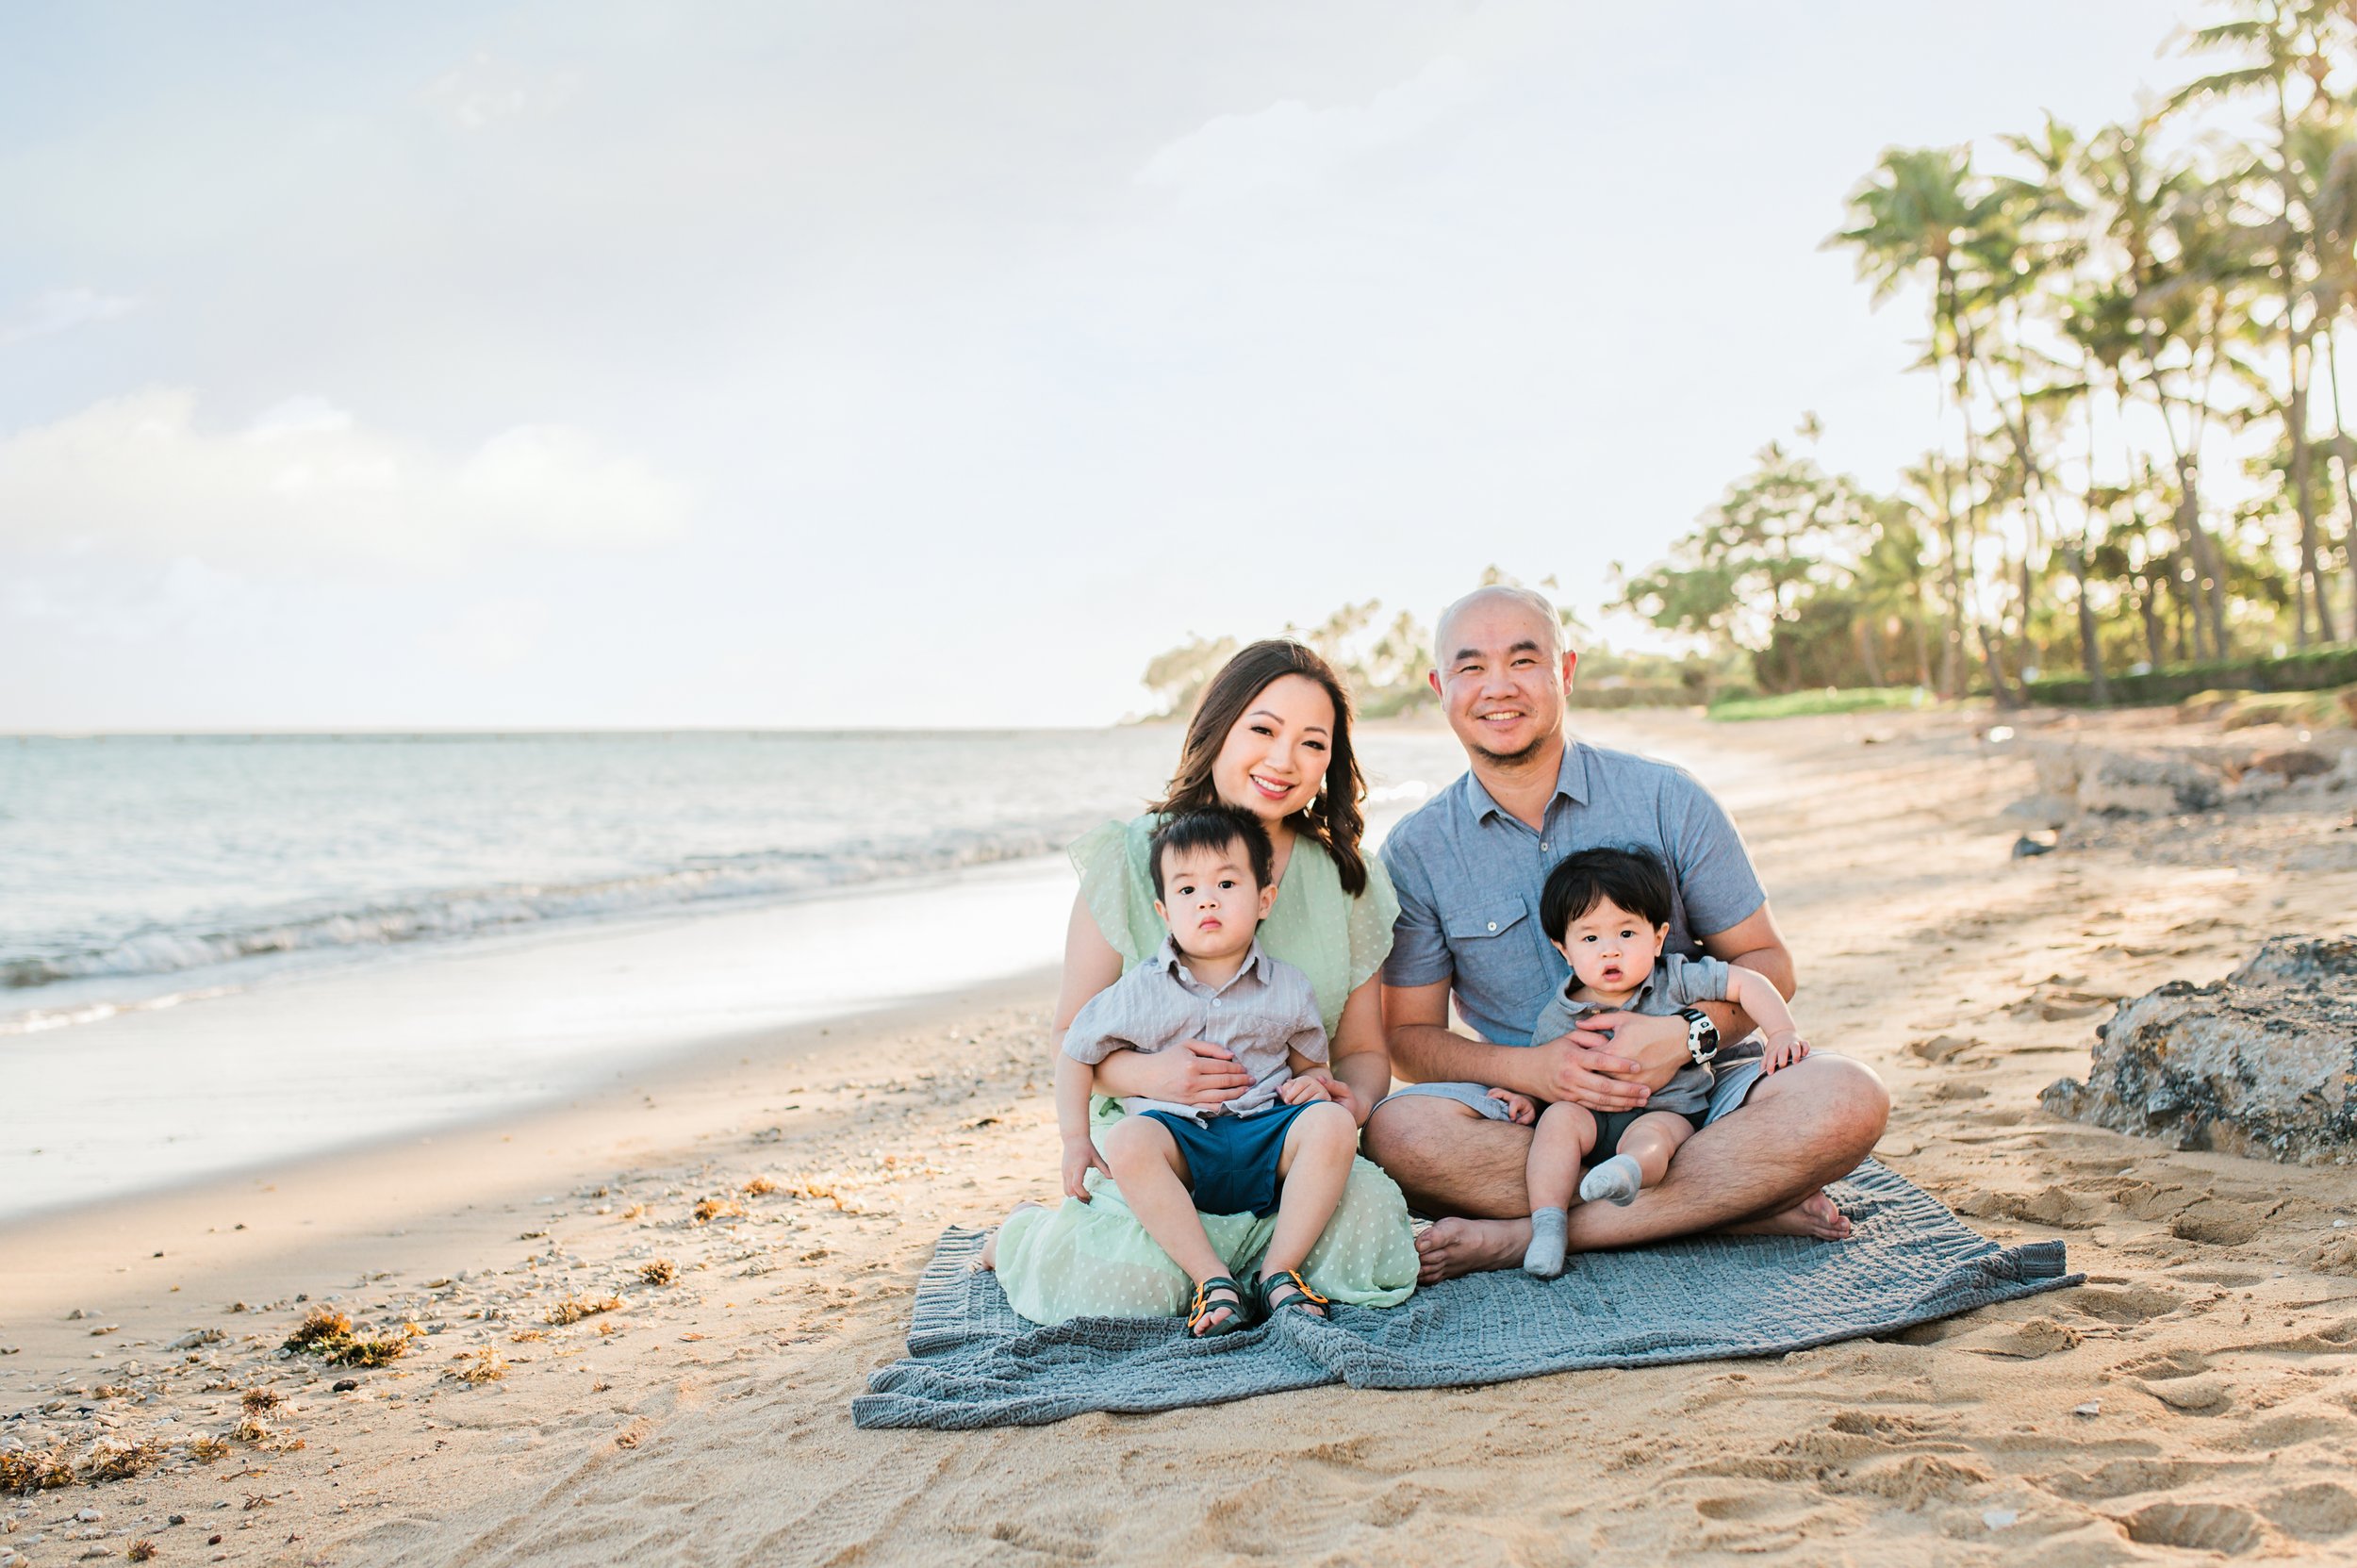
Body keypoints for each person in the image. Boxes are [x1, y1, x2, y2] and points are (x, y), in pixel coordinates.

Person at [1364, 584, 1889, 1283]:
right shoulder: (1417, 848)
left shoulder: (1667, 797)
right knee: (1393, 1133)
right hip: (1532, 1120)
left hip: (1690, 1095)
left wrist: (1685, 1037)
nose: (1499, 687)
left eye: (1525, 660)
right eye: (1470, 667)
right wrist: (1533, 1070)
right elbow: (1408, 1040)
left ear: (1566, 671)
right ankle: (1731, 1205)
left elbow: (1766, 962)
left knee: (1851, 1097)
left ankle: (1532, 1235)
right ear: (1440, 687)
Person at [981, 640, 1419, 1325]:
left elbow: (1363, 1052)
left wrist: (1341, 1101)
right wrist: (1152, 1074)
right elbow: (1074, 1034)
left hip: (1283, 1143)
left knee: (1371, 1242)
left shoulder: (1345, 878)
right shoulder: (1135, 856)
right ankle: (1029, 1233)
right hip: (1167, 1141)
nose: (1283, 760)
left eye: (1312, 742)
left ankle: (1272, 1270)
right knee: (1128, 1290)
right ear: (1220, 727)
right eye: (1264, 729)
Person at [1059, 806, 1361, 1333]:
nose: (1208, 900)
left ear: (1264, 899)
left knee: (1333, 1122)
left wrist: (1312, 1083)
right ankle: (1212, 1281)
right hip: (1182, 1143)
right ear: (1163, 909)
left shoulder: (1289, 987)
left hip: (1266, 1136)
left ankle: (1279, 1274)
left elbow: (1312, 1063)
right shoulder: (1141, 990)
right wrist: (1075, 1138)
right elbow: (1076, 1052)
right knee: (1130, 1140)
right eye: (1187, 890)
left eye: (1226, 882)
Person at [1485, 845, 1813, 1279]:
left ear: (1657, 937)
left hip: (1666, 1108)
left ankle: (1629, 1171)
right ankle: (1548, 1225)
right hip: (1590, 1116)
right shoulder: (1561, 1012)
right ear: (1563, 950)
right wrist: (1526, 1095)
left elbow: (1746, 982)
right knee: (1557, 1122)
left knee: (1656, 1135)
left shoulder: (1675, 978)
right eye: (1590, 938)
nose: (1610, 952)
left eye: (1626, 934)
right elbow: (1544, 1069)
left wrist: (1782, 1032)